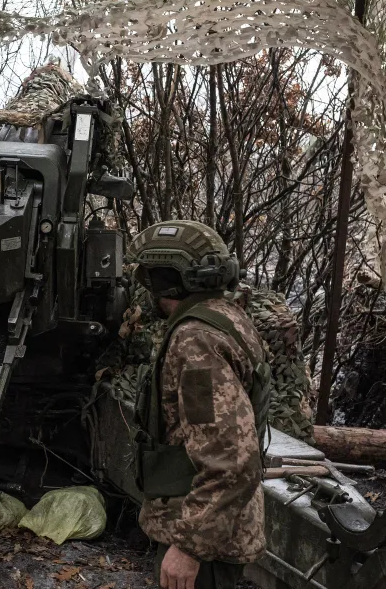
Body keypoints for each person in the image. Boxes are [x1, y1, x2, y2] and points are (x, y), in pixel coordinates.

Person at [127, 221, 271, 589]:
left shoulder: (197, 341)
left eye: (148, 278)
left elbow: (232, 460)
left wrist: (189, 548)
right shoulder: (225, 315)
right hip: (210, 524)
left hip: (205, 539)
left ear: (166, 281)